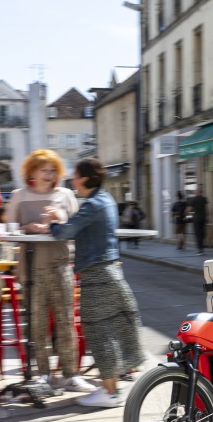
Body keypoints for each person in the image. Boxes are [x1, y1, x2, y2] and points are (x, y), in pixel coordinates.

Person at [46, 158, 147, 408]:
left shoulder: (92, 204)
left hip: (97, 276)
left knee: (99, 332)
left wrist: (54, 222)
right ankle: (110, 388)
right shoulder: (106, 200)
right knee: (110, 330)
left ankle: (110, 392)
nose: (72, 180)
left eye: (75, 176)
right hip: (109, 272)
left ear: (87, 178)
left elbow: (65, 232)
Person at [3, 149, 93, 394]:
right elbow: (7, 230)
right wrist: (26, 228)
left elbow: (78, 227)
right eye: (44, 170)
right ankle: (43, 374)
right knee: (37, 323)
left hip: (61, 264)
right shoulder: (18, 196)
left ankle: (71, 374)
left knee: (65, 321)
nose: (49, 174)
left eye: (53, 170)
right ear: (32, 171)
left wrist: (60, 218)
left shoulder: (65, 194)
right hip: (31, 268)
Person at [188, 187, 209, 255]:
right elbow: (207, 208)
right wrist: (208, 216)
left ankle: (200, 249)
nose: (194, 192)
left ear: (198, 192)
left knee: (197, 233)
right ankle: (202, 247)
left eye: (195, 191)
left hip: (196, 218)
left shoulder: (193, 199)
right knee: (202, 232)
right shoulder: (204, 199)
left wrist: (187, 212)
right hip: (203, 217)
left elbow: (189, 209)